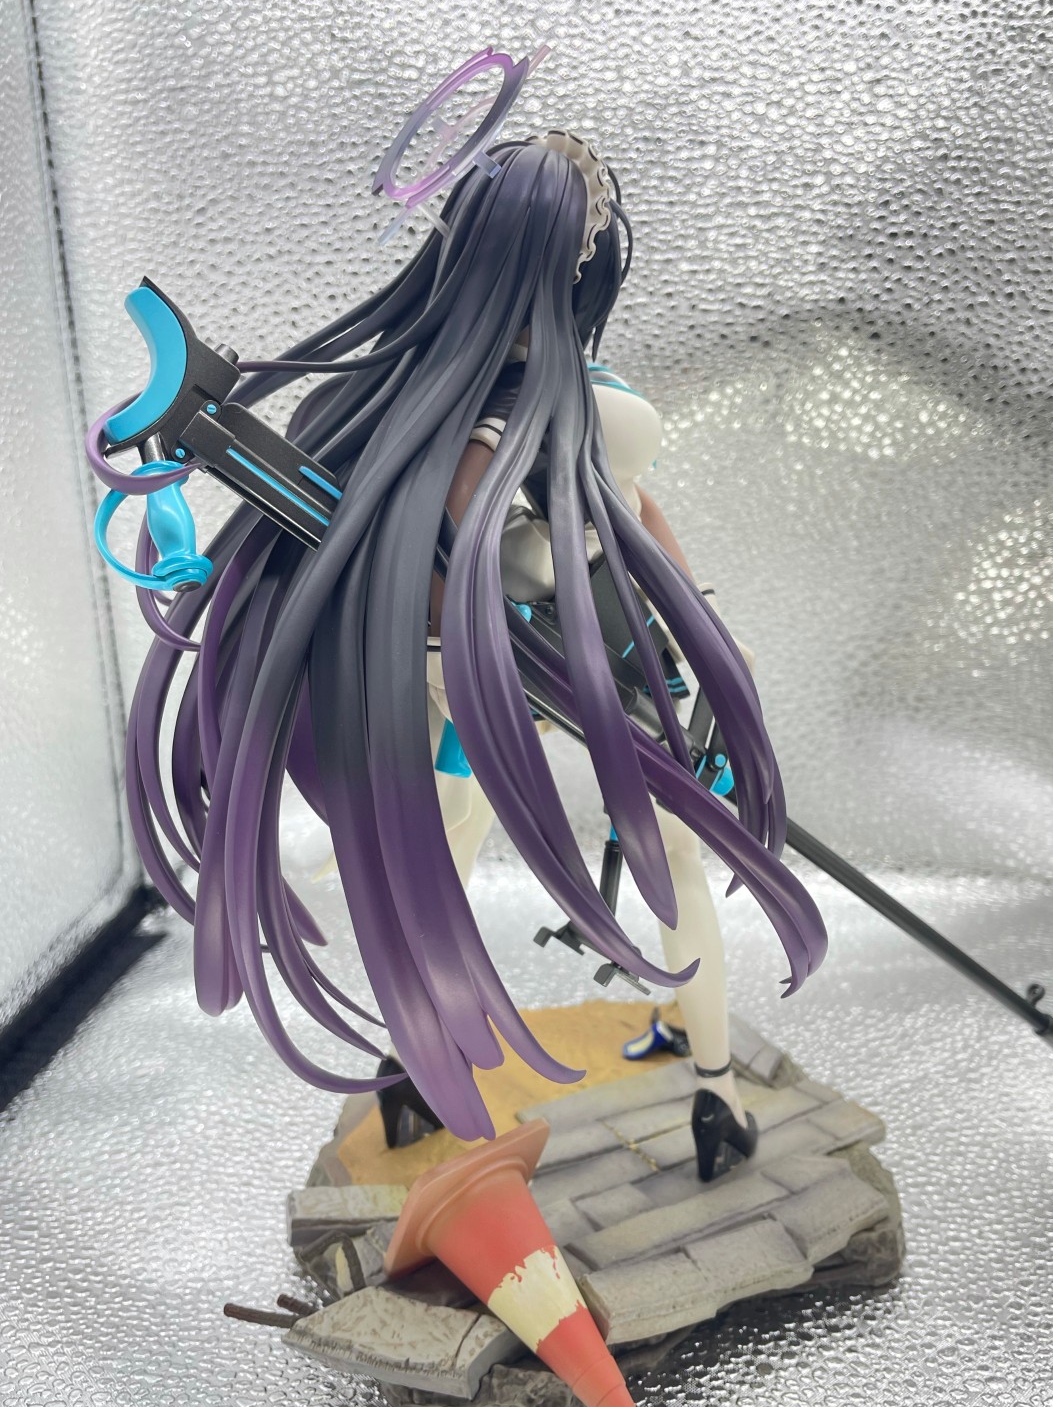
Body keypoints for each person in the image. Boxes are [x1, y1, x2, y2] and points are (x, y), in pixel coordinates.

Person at [124, 129, 828, 1181]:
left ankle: (697, 1076)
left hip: (597, 649)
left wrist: (705, 630)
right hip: (510, 663)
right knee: (472, 852)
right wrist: (501, 644)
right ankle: (474, 1063)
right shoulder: (494, 405)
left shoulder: (530, 381)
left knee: (616, 847)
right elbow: (464, 543)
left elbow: (633, 513)